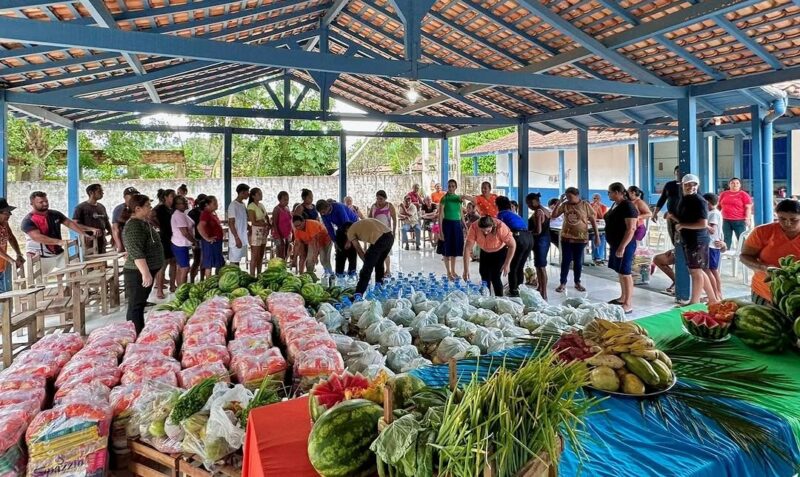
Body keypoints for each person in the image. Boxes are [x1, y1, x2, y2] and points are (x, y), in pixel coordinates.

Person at [21, 191, 98, 274]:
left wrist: (83, 234)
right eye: (41, 202)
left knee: (76, 269)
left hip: (59, 253)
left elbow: (69, 223)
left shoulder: (55, 214)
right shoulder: (28, 220)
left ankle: (75, 286)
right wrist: (59, 242)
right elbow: (37, 237)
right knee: (40, 283)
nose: (45, 204)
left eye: (46, 201)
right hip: (40, 256)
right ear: (32, 203)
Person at [740, 199, 800, 305]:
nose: (788, 223)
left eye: (794, 219)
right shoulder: (762, 232)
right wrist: (763, 267)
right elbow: (744, 256)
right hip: (765, 291)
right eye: (782, 218)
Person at [672, 174, 718, 304]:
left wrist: (682, 225)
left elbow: (703, 224)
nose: (690, 187)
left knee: (695, 271)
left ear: (697, 186)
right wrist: (677, 221)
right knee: (698, 270)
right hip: (689, 239)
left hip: (697, 240)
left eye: (694, 185)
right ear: (682, 185)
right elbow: (685, 219)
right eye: (687, 184)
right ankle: (713, 299)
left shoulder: (699, 201)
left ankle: (694, 301)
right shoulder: (685, 199)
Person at [122, 194, 164, 333]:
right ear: (138, 208)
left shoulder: (143, 222)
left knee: (139, 303)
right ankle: (135, 334)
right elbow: (136, 252)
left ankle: (138, 330)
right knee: (136, 305)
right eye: (147, 205)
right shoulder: (133, 226)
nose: (150, 208)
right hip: (137, 272)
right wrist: (145, 273)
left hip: (145, 269)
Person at [551, 187, 599, 293]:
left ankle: (577, 282)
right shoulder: (565, 205)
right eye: (567, 197)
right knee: (565, 261)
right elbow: (553, 216)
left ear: (577, 196)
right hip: (566, 237)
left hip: (580, 238)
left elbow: (593, 220)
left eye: (570, 197)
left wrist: (597, 236)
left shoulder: (585, 205)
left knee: (578, 261)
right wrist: (559, 202)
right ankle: (562, 283)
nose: (568, 199)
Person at [604, 183, 639, 314]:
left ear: (618, 192)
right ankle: (623, 297)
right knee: (620, 271)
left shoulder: (628, 206)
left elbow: (631, 229)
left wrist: (622, 247)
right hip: (615, 243)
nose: (608, 195)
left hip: (625, 244)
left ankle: (628, 303)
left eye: (610, 192)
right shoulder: (616, 204)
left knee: (625, 272)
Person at [463, 216, 516, 296]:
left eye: (488, 230)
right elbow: (467, 249)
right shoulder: (474, 227)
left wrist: (507, 263)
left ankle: (499, 300)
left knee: (495, 277)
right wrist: (466, 270)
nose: (485, 233)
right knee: (484, 276)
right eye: (482, 231)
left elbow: (512, 245)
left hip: (500, 252)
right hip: (485, 251)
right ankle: (486, 300)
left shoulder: (500, 227)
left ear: (492, 226)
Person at [338, 219, 394, 295]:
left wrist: (366, 262)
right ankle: (379, 287)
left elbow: (358, 249)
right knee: (379, 263)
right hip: (390, 237)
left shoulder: (350, 231)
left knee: (366, 270)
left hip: (380, 240)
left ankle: (358, 294)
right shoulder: (358, 225)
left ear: (346, 230)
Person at [496, 195, 531, 297]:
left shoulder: (501, 214)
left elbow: (500, 229)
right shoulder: (514, 214)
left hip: (518, 238)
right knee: (520, 266)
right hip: (528, 238)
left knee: (512, 266)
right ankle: (520, 289)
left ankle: (513, 291)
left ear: (498, 205)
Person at [437, 179, 472, 280]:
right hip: (447, 225)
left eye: (453, 186)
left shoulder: (458, 199)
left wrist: (465, 226)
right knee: (446, 250)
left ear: (456, 187)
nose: (451, 188)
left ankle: (453, 271)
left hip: (457, 225)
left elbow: (461, 213)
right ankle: (448, 273)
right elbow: (440, 215)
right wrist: (440, 231)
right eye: (449, 186)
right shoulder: (444, 199)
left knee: (454, 250)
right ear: (447, 187)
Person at [318, 199, 359, 275]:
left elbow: (348, 225)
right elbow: (329, 228)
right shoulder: (323, 213)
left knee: (351, 251)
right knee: (340, 251)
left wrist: (348, 241)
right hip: (341, 227)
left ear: (328, 207)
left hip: (353, 226)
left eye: (323, 212)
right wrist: (335, 242)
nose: (322, 214)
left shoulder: (338, 207)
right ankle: (339, 273)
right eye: (321, 213)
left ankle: (352, 273)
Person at [73, 183, 112, 254]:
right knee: (91, 263)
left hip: (101, 241)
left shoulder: (101, 207)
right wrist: (92, 229)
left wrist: (112, 233)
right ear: (91, 193)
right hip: (88, 242)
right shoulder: (80, 207)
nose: (102, 193)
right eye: (99, 191)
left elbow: (106, 222)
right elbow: (75, 224)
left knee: (103, 262)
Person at [526, 193, 550, 300]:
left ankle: (544, 293)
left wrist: (528, 233)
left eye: (529, 203)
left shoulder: (538, 212)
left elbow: (538, 231)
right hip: (544, 240)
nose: (528, 205)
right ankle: (540, 288)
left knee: (541, 267)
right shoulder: (545, 210)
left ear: (534, 201)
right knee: (539, 266)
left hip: (540, 241)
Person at [153, 189, 176, 299]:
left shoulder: (172, 208)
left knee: (173, 262)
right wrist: (159, 225)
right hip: (164, 238)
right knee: (163, 264)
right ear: (165, 197)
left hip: (174, 237)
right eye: (172, 196)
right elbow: (149, 216)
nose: (174, 198)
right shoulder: (160, 208)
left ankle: (172, 285)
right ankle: (160, 290)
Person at [718, 177, 753, 250]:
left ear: (740, 185)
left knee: (741, 238)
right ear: (729, 185)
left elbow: (748, 208)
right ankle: (725, 252)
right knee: (726, 237)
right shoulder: (723, 194)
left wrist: (747, 218)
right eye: (732, 183)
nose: (735, 185)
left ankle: (743, 253)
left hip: (739, 220)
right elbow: (719, 206)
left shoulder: (744, 194)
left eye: (737, 183)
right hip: (725, 220)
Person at [368, 190, 397, 276]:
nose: (379, 201)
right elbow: (369, 218)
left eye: (381, 199)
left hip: (386, 233)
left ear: (385, 198)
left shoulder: (389, 206)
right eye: (377, 199)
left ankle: (388, 270)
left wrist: (394, 232)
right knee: (376, 252)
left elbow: (394, 219)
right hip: (375, 233)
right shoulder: (373, 206)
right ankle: (379, 270)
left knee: (386, 252)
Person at [652, 166, 682, 245]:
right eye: (677, 172)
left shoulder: (687, 186)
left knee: (681, 239)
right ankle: (676, 254)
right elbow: (662, 199)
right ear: (674, 173)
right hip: (671, 216)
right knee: (673, 239)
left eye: (680, 172)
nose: (678, 174)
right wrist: (654, 213)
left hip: (682, 218)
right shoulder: (669, 185)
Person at [0, 198, 25, 293]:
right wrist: (11, 261)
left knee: (2, 298)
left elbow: (11, 238)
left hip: (1, 267)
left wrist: (19, 254)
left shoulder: (5, 224)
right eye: (6, 213)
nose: (10, 215)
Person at [170, 195, 196, 287]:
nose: (186, 204)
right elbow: (184, 232)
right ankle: (182, 289)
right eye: (183, 203)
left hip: (181, 244)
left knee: (181, 268)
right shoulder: (178, 215)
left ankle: (180, 288)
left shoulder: (182, 213)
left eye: (186, 202)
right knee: (185, 268)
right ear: (176, 205)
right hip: (180, 245)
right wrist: (194, 241)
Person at [197, 195, 225, 277]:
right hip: (210, 243)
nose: (216, 204)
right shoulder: (205, 214)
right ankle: (209, 283)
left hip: (216, 243)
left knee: (219, 263)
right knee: (209, 265)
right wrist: (207, 238)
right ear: (207, 205)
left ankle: (217, 280)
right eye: (214, 203)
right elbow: (200, 226)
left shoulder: (211, 213)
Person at [704, 193, 724, 300]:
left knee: (710, 270)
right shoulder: (713, 213)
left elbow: (712, 230)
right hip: (711, 244)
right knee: (712, 270)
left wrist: (701, 223)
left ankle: (716, 294)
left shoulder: (714, 214)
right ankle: (715, 294)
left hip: (711, 245)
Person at [293, 189, 319, 272]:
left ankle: (310, 272)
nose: (311, 198)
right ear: (304, 197)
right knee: (303, 255)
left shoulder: (313, 207)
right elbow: (295, 221)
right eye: (309, 196)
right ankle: (301, 274)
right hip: (303, 234)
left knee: (311, 255)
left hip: (313, 234)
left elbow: (317, 219)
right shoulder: (300, 207)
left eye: (312, 196)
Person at [247, 188, 270, 276]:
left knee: (261, 254)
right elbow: (253, 221)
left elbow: (266, 216)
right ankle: (252, 275)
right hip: (256, 232)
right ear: (253, 196)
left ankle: (259, 273)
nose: (261, 195)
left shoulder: (261, 205)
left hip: (263, 231)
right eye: (259, 194)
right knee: (255, 255)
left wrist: (268, 223)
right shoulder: (251, 206)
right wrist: (263, 224)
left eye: (261, 193)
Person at [227, 183, 250, 266]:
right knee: (234, 261)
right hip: (236, 238)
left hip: (243, 237)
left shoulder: (243, 205)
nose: (249, 194)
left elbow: (244, 220)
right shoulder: (233, 205)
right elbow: (231, 223)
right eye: (247, 192)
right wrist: (236, 238)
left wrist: (250, 228)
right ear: (242, 192)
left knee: (239, 260)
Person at [187, 193, 207, 283]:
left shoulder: (194, 212)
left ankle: (197, 280)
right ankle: (196, 280)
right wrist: (193, 241)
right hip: (198, 239)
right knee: (198, 261)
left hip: (200, 239)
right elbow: (190, 228)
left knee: (198, 260)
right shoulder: (193, 213)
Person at [112, 186, 138, 253]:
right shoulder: (119, 208)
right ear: (125, 197)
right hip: (127, 233)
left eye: (136, 195)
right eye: (131, 195)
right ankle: (120, 247)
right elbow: (115, 226)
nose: (134, 196)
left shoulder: (138, 206)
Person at [272, 191, 293, 261]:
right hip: (278, 234)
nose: (287, 201)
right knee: (280, 252)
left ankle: (284, 265)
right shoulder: (276, 209)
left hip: (287, 234)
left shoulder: (287, 208)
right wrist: (278, 235)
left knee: (287, 251)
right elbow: (274, 223)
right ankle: (279, 267)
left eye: (287, 199)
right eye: (284, 200)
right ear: (280, 200)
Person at [589, 193, 608, 265]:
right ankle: (596, 257)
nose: (596, 200)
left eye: (597, 199)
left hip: (599, 227)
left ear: (600, 200)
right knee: (594, 237)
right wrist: (593, 209)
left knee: (602, 236)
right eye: (594, 198)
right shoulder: (589, 206)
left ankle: (600, 257)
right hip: (590, 230)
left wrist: (598, 208)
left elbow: (602, 217)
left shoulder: (603, 206)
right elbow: (590, 217)